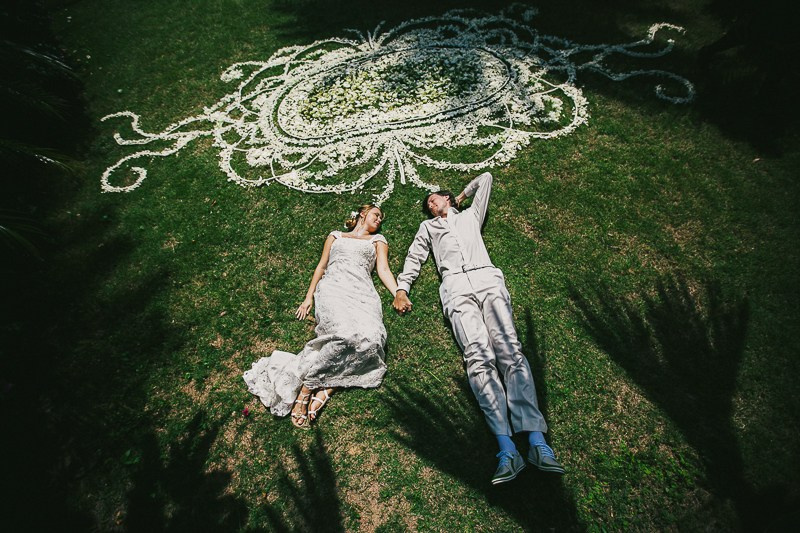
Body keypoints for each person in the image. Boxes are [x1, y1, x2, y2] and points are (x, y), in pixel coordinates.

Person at [392, 172, 565, 484]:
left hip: (487, 279)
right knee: (478, 357)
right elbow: (415, 256)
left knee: (510, 352)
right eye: (428, 204)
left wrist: (459, 197)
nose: (431, 205)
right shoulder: (428, 228)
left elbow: (485, 178)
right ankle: (507, 448)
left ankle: (538, 443)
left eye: (435, 199)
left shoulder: (472, 214)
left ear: (448, 199)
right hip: (455, 287)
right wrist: (402, 288)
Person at [244, 205, 399, 428]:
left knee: (373, 338)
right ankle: (308, 389)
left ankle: (326, 388)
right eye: (376, 215)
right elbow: (322, 266)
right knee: (344, 335)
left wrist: (398, 293)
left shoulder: (378, 240)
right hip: (334, 289)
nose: (379, 220)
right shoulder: (336, 236)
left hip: (362, 293)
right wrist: (308, 298)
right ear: (363, 214)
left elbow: (383, 270)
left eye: (381, 218)